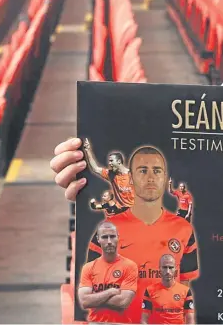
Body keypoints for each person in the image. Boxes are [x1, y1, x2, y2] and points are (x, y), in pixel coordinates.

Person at [50, 138, 200, 323]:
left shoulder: (183, 229)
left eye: (156, 171)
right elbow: (90, 299)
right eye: (143, 171)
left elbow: (184, 293)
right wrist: (85, 154)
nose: (150, 177)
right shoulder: (106, 234)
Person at [78, 220, 138, 323]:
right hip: (95, 322)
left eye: (112, 236)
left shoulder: (129, 266)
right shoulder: (88, 268)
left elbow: (123, 302)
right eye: (105, 237)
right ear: (98, 239)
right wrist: (110, 292)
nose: (109, 241)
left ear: (118, 237)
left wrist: (95, 299)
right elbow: (84, 302)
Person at [141, 254, 195, 324]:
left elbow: (190, 318)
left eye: (171, 267)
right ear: (159, 268)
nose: (168, 271)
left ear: (175, 269)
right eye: (164, 267)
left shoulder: (185, 291)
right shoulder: (150, 290)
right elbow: (144, 319)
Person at [83, 138, 135, 208]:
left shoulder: (133, 175)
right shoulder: (111, 174)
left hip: (134, 212)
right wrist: (88, 150)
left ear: (119, 161)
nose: (109, 163)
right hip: (120, 212)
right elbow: (95, 168)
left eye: (111, 161)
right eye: (109, 161)